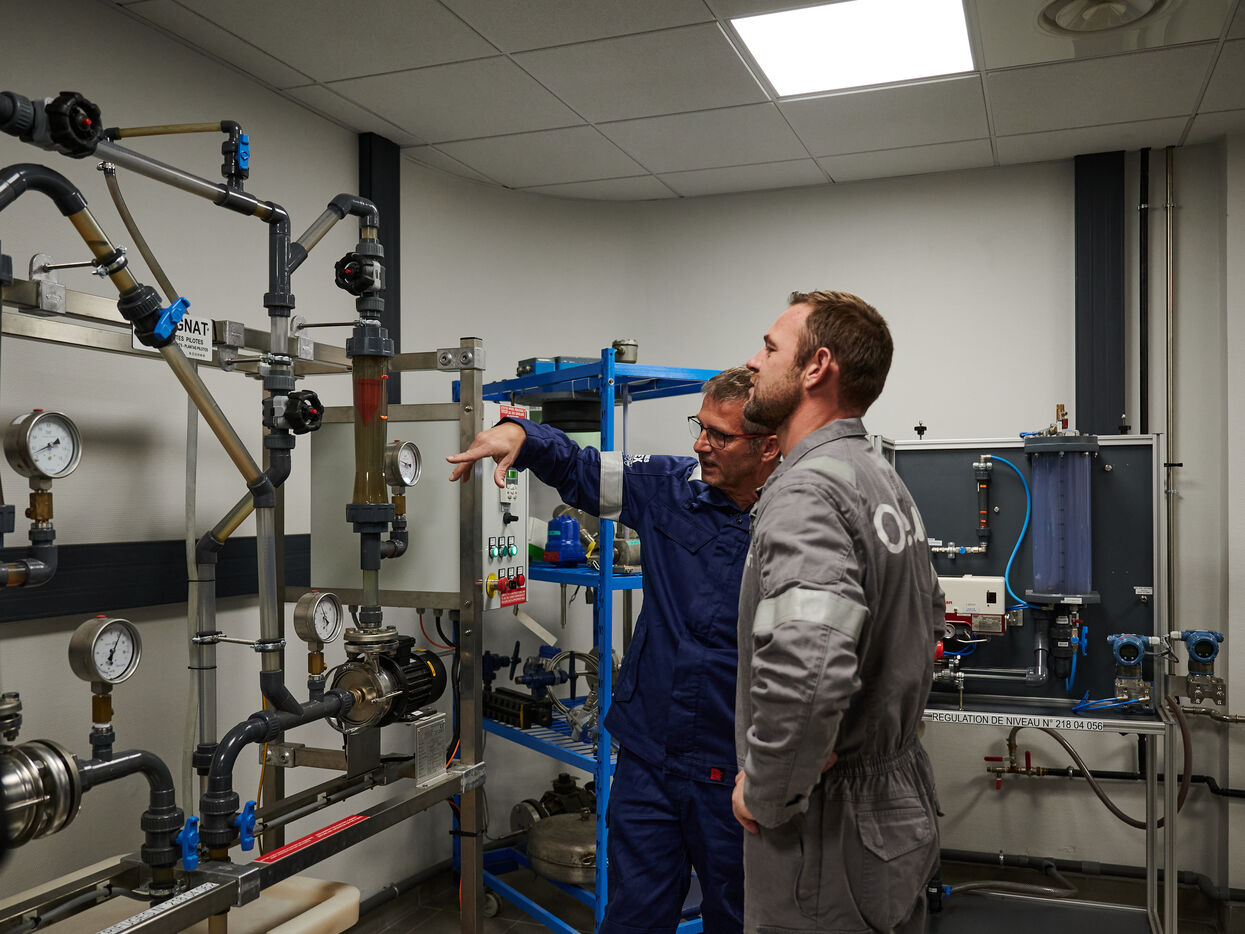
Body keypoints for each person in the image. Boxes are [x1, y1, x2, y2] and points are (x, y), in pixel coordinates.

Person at [448, 367, 780, 934]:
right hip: (649, 755)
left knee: (743, 917)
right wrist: (524, 435)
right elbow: (581, 469)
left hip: (737, 769)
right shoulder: (673, 487)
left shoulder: (797, 522)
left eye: (720, 435)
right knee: (634, 913)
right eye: (699, 427)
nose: (700, 444)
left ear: (768, 446)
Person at [732, 292, 943, 934]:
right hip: (893, 804)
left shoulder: (807, 491)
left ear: (816, 367)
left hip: (827, 828)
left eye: (770, 348)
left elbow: (810, 668)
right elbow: (930, 619)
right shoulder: (877, 477)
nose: (753, 361)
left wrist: (769, 789)